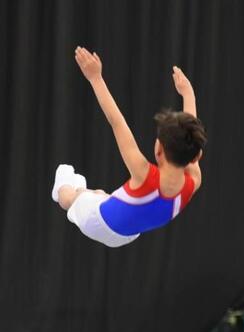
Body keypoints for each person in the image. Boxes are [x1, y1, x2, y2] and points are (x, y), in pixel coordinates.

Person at [51, 46, 207, 247]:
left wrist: (95, 78)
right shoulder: (194, 180)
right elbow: (191, 137)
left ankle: (65, 185)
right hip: (128, 235)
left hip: (97, 222)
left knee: (72, 198)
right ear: (196, 157)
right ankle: (89, 192)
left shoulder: (144, 175)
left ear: (158, 150)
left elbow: (116, 121)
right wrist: (188, 95)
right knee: (100, 195)